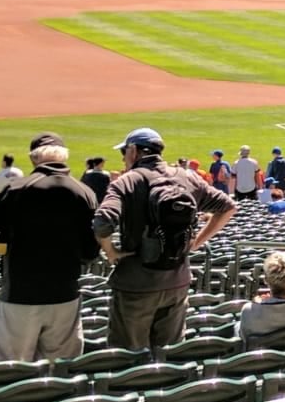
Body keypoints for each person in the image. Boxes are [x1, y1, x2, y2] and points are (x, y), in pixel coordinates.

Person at [93, 127, 235, 357]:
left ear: (134, 151)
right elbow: (228, 207)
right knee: (169, 357)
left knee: (128, 357)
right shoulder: (187, 176)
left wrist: (110, 251)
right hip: (177, 280)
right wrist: (196, 243)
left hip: (136, 284)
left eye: (124, 152)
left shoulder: (127, 181)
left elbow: (102, 222)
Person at [0, 132, 98, 363]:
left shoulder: (16, 190)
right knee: (61, 372)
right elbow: (91, 252)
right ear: (64, 158)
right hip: (65, 293)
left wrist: (3, 244)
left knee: (11, 369)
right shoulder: (84, 193)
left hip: (21, 293)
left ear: (33, 160)